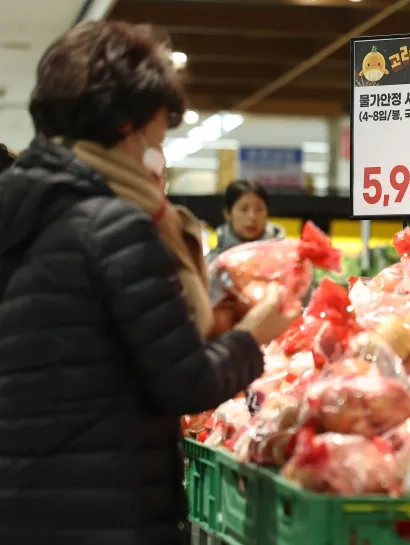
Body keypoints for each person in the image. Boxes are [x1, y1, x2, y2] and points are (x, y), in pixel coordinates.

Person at [0, 21, 298, 545]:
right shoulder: (115, 226)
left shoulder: (26, 210)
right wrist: (254, 334)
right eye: (158, 128)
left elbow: (94, 350)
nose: (160, 143)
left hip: (30, 503)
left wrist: (217, 322)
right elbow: (185, 383)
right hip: (108, 511)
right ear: (125, 125)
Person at [207, 179, 285, 262]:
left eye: (259, 209)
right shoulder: (214, 258)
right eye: (244, 209)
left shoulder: (283, 254)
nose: (252, 216)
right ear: (227, 214)